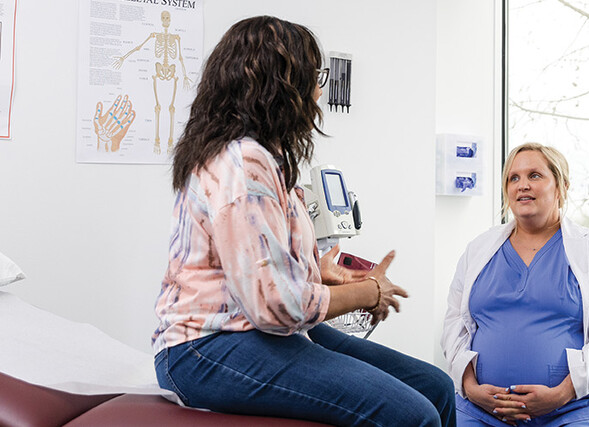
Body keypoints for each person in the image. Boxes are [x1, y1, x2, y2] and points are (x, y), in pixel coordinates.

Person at [151, 16, 456, 427]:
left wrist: (318, 274)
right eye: (314, 76)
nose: (318, 90)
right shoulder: (244, 163)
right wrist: (368, 292)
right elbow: (276, 306)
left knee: (435, 387)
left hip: (252, 330)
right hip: (204, 348)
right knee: (412, 415)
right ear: (280, 86)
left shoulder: (268, 161)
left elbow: (261, 273)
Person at [441, 143, 589, 426]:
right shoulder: (479, 249)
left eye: (535, 175)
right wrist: (470, 387)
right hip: (482, 410)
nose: (522, 186)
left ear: (561, 187)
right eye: (513, 178)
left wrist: (563, 392)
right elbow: (453, 326)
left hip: (572, 409)